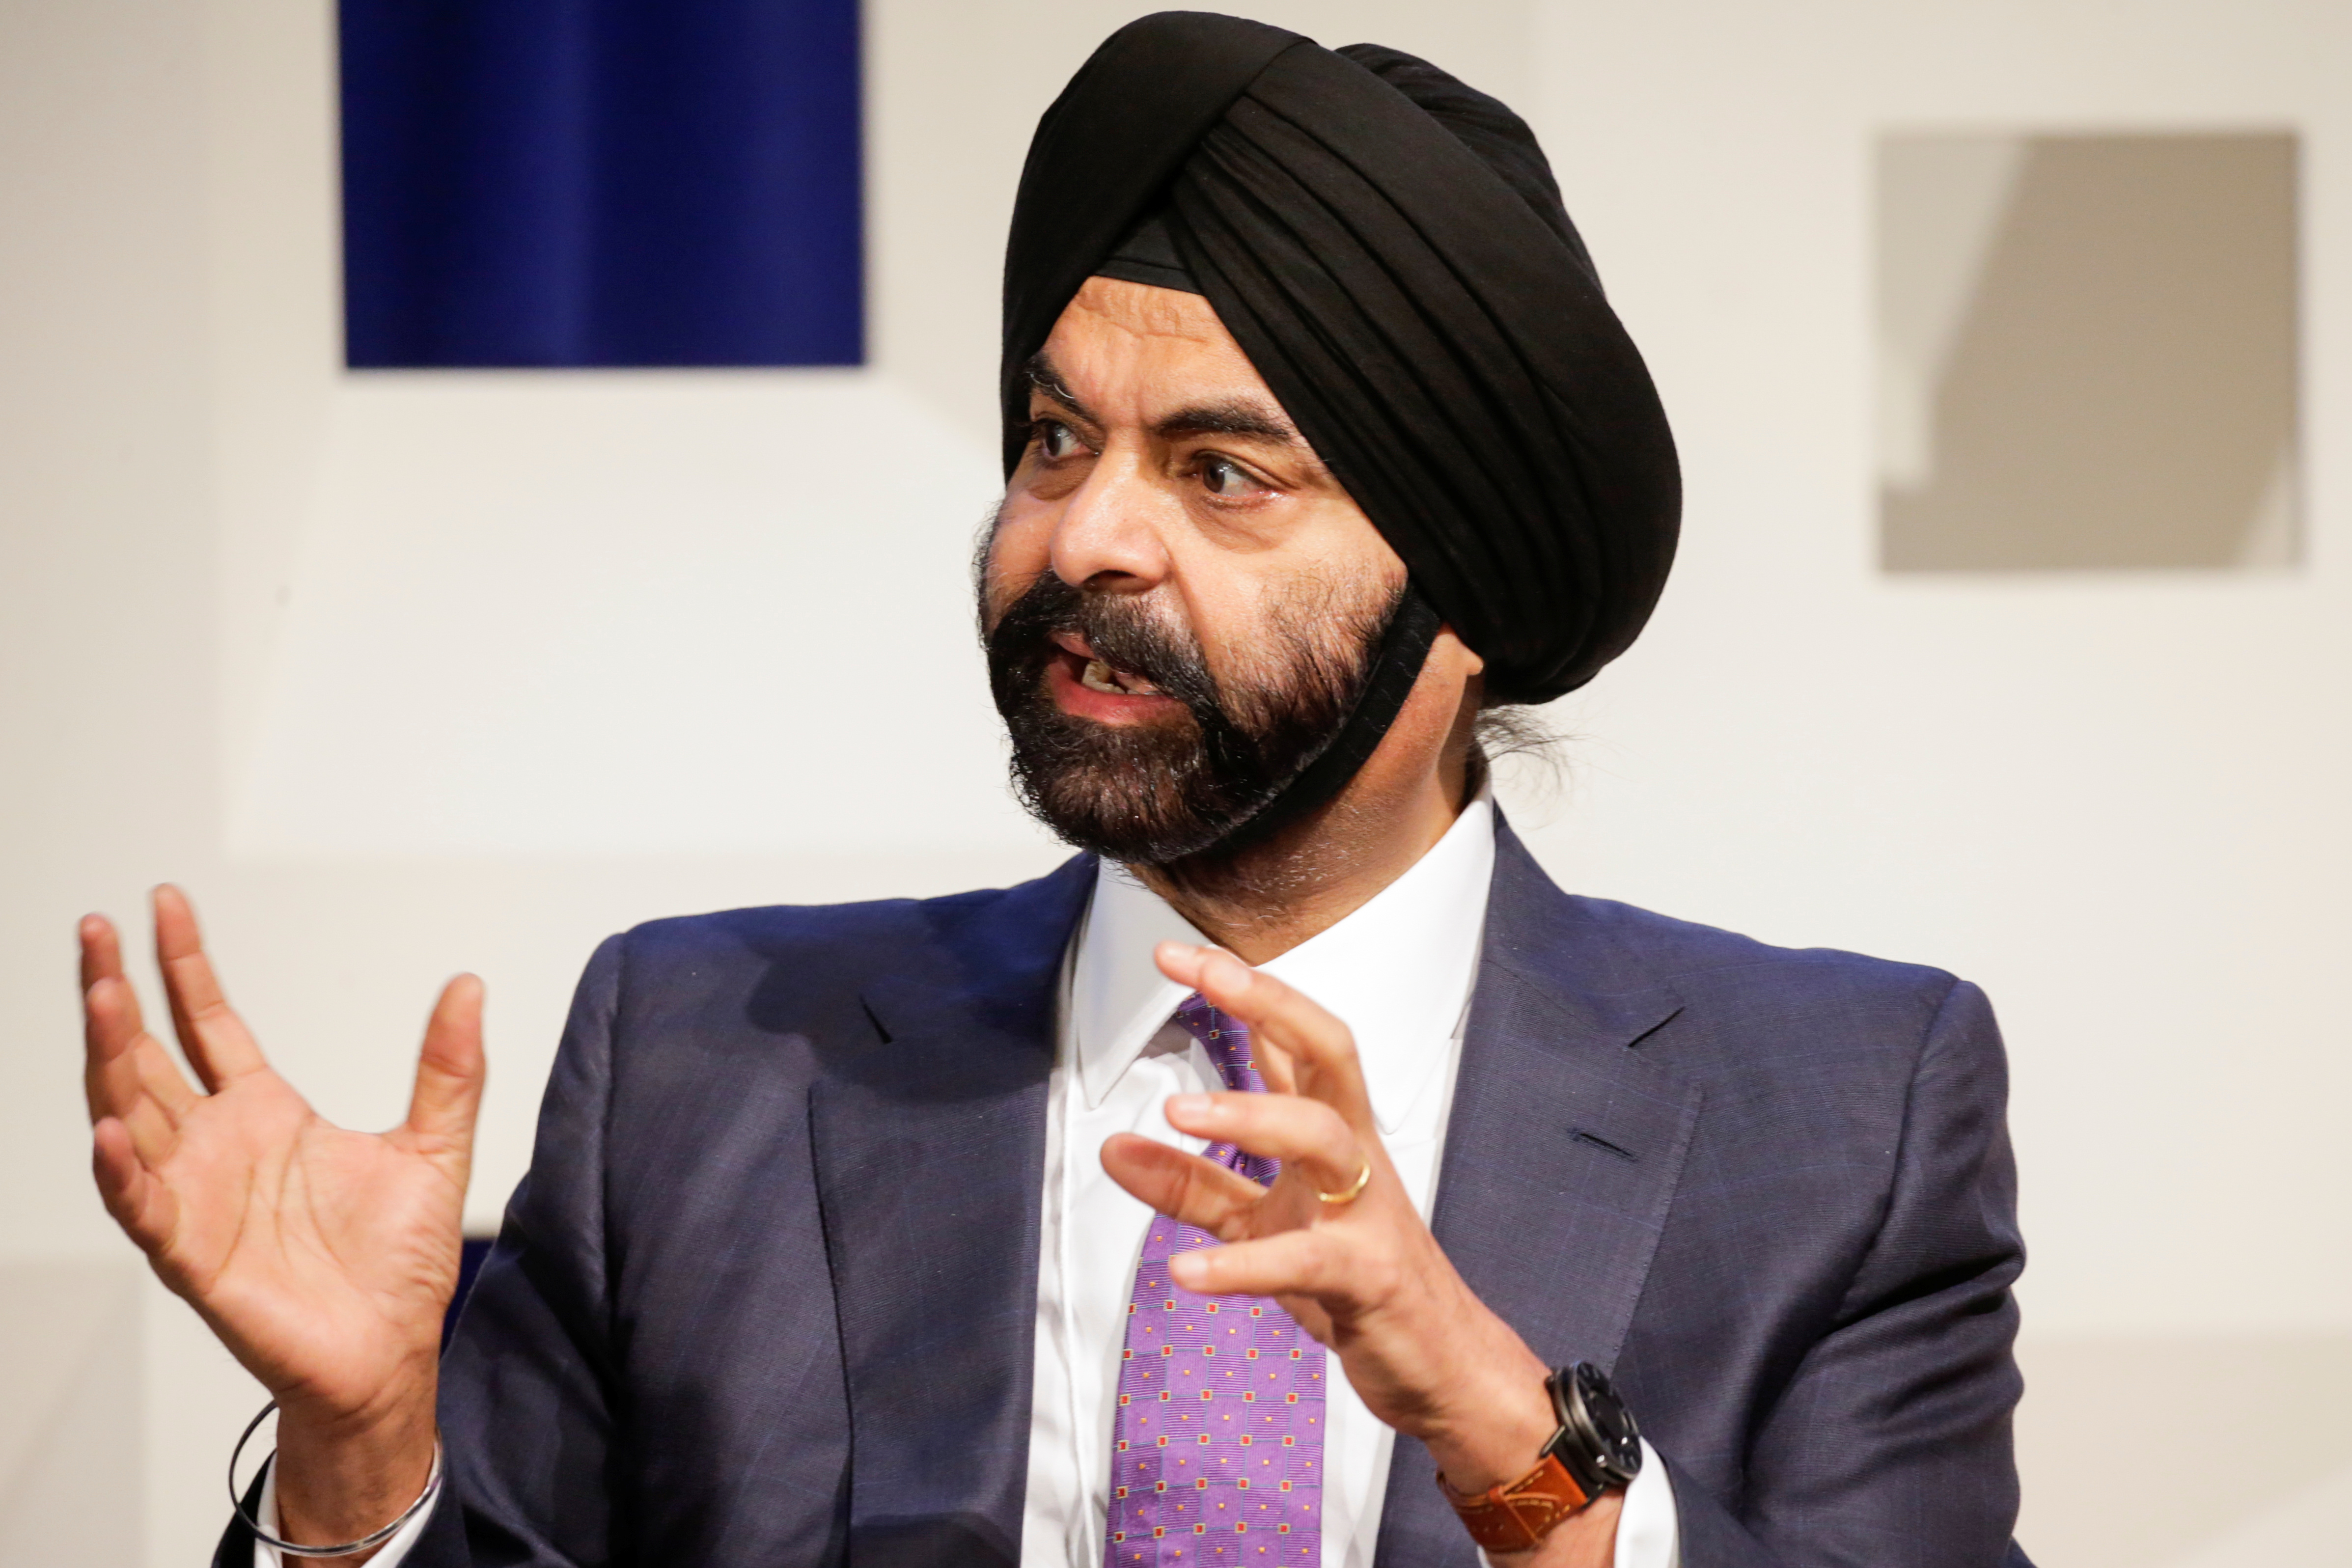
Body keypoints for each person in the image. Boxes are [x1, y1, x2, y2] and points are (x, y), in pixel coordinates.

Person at [78, 14, 2026, 1568]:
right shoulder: (704, 1062)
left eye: (1219, 472)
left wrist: (1503, 1428)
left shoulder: (1843, 1115)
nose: (1081, 534)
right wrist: (361, 1462)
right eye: (1050, 436)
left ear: (1467, 602)